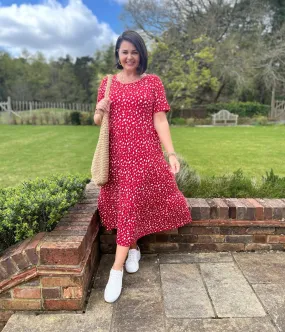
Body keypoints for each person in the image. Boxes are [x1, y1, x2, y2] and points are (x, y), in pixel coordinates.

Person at [94, 30, 192, 303]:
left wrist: (170, 153)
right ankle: (133, 248)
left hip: (145, 155)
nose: (129, 57)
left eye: (134, 52)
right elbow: (98, 122)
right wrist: (100, 110)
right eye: (124, 52)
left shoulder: (153, 83)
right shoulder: (108, 83)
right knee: (126, 205)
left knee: (130, 203)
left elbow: (160, 120)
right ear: (118, 55)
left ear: (141, 54)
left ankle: (115, 270)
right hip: (117, 157)